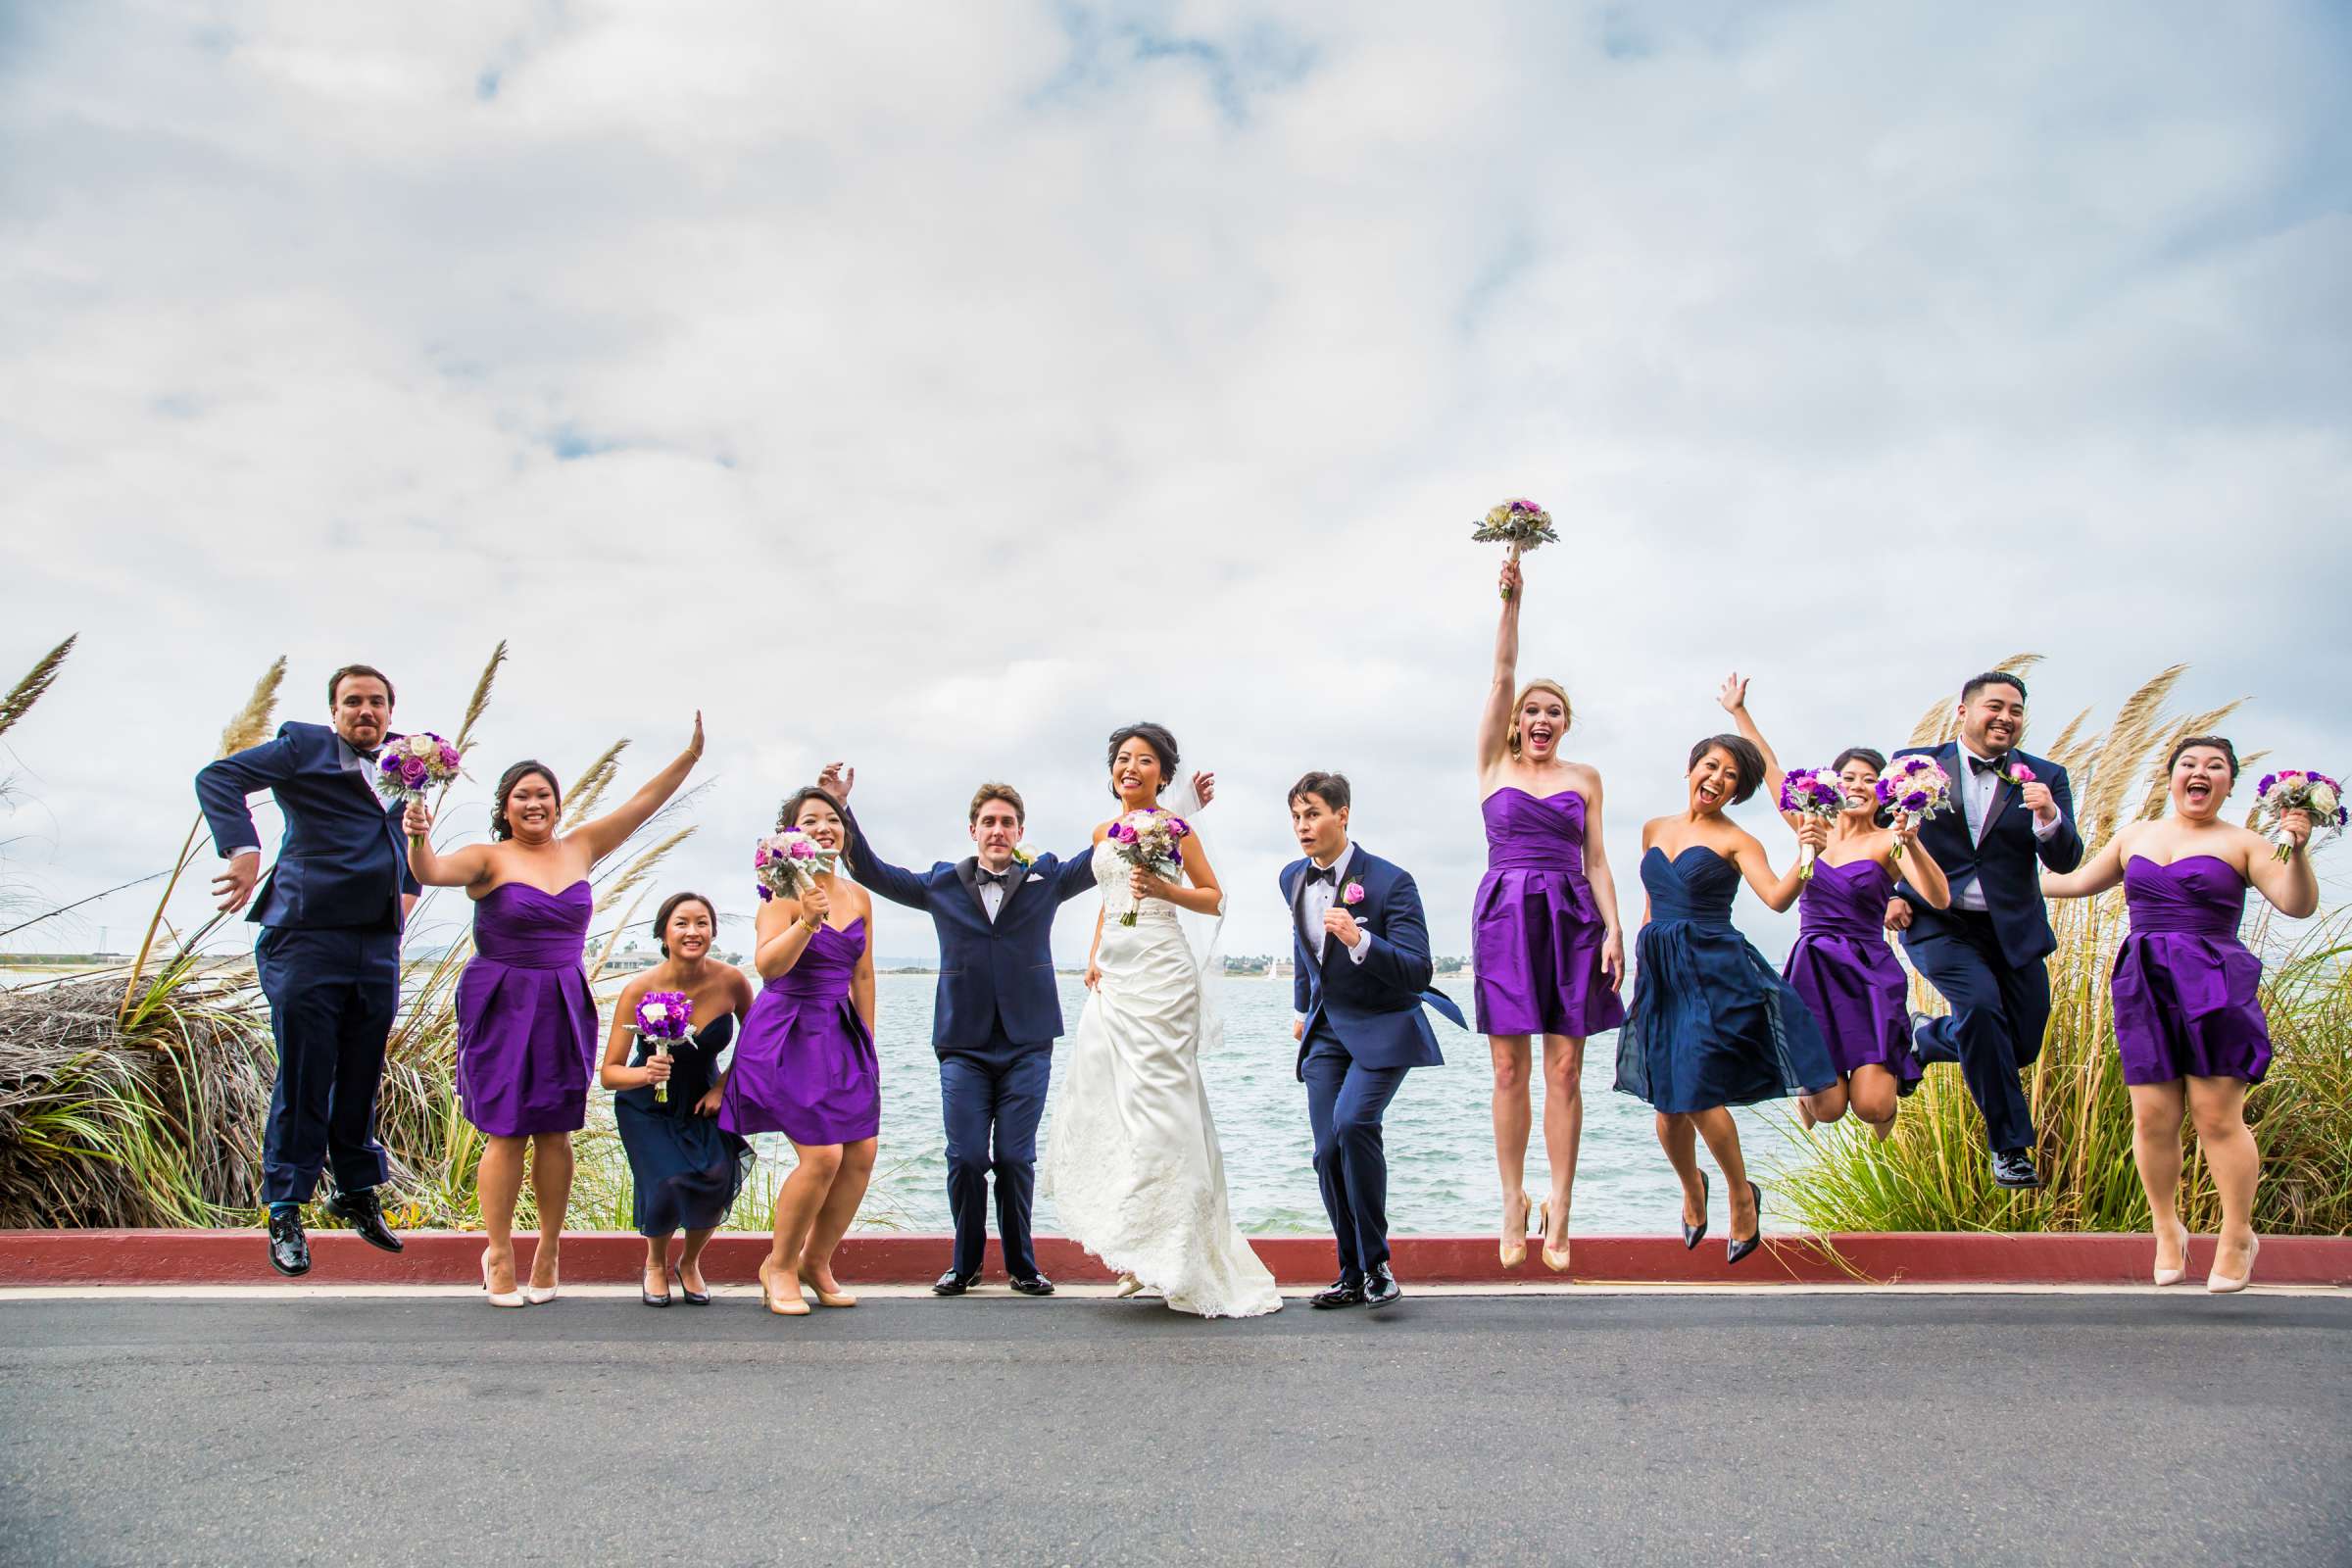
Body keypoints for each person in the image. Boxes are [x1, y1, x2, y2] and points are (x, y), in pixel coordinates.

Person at [814, 759, 1206, 1297]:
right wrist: (839, 806)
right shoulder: (940, 884)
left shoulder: (1046, 878)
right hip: (962, 1044)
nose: (998, 831)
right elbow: (874, 872)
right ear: (973, 830)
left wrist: (1178, 810)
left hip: (1028, 1042)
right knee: (968, 1156)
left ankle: (1023, 1264)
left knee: (1016, 1157)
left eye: (1007, 822)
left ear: (1020, 831)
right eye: (988, 822)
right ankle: (965, 1263)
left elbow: (1116, 845)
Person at [405, 716, 702, 1306]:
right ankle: (498, 1250)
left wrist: (689, 757)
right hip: (502, 999)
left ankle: (548, 1245)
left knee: (556, 1131)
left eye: (544, 794)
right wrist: (417, 833)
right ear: (505, 807)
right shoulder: (486, 859)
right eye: (523, 796)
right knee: (505, 1130)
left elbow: (643, 804)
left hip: (563, 998)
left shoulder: (582, 846)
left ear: (558, 804)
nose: (534, 803)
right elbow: (429, 872)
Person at [2039, 736, 2318, 1293]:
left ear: (2230, 783)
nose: (2200, 772)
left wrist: (2300, 848)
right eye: (2189, 764)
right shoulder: (2135, 835)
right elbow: (2069, 883)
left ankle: (2238, 1235)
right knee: (2152, 1117)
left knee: (2217, 1117)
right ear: (2170, 776)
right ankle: (2167, 1230)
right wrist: (1978, 884)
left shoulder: (2246, 843)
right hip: (2144, 981)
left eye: (2215, 766)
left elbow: (2296, 904)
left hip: (2215, 981)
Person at [1040, 724, 1280, 1318]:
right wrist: (1095, 957)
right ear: (1112, 772)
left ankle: (1179, 1250)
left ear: (1162, 776)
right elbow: (1109, 897)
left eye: (1144, 761)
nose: (1131, 767)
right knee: (1109, 1104)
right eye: (1123, 759)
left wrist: (1163, 890)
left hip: (1163, 975)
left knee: (1164, 1111)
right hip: (1115, 978)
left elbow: (1213, 896)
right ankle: (1135, 1244)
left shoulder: (1175, 828)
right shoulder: (1103, 832)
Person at [195, 663, 419, 1275]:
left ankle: (354, 1190)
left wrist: (408, 888)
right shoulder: (305, 747)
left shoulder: (412, 761)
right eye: (353, 703)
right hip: (306, 934)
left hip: (376, 943)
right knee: (305, 1071)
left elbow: (403, 837)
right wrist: (242, 850)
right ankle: (286, 1206)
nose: (365, 712)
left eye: (376, 702)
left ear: (390, 712)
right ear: (335, 711)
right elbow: (218, 777)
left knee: (362, 1071)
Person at [1612, 732, 1838, 1265]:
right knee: (1666, 1110)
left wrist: (1808, 854)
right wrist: (1642, 971)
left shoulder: (1738, 841)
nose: (1715, 779)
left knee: (1695, 1093)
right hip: (1660, 977)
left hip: (1712, 973)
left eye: (1730, 776)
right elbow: (1651, 904)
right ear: (1691, 768)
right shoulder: (1651, 829)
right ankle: (1694, 1187)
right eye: (1710, 766)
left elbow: (1780, 900)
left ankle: (1741, 1194)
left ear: (1738, 791)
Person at [1472, 554, 1625, 1272]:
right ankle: (1512, 1200)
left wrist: (1616, 928)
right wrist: (1511, 603)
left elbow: (1596, 861)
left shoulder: (1585, 778)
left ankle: (1561, 1203)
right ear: (1516, 721)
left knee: (1564, 1070)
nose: (1540, 718)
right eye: (1531, 711)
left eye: (1552, 712)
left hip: (1572, 917)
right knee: (1508, 1068)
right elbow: (1502, 675)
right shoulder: (1491, 768)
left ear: (1565, 724)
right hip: (1506, 914)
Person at [1719, 675, 1951, 1139]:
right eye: (1849, 778)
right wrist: (1738, 712)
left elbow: (1939, 897)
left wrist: (1913, 844)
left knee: (1870, 1105)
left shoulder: (1891, 841)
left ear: (1883, 790)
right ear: (1835, 785)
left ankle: (1887, 1097)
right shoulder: (1811, 824)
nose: (1859, 786)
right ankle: (1813, 1099)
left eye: (1869, 779)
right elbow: (1770, 770)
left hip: (1867, 971)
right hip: (1814, 969)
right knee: (1828, 1108)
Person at [1884, 672, 2084, 1190]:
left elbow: (2065, 860)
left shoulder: (2046, 775)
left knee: (2019, 1045)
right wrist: (1883, 895)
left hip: (2013, 930)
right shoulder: (1915, 765)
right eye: (1995, 706)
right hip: (1937, 923)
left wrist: (2048, 815)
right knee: (1979, 1008)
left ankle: (1928, 1038)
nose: (2006, 717)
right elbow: (1873, 834)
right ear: (1963, 711)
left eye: (2016, 710)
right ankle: (2010, 1149)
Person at [1279, 770, 1466, 1310]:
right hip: (1324, 1031)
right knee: (1326, 1151)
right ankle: (1351, 1271)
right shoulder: (1292, 876)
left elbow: (1416, 969)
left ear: (1342, 815)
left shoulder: (1391, 882)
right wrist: (1300, 1010)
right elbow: (1303, 949)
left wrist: (1361, 940)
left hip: (1384, 1025)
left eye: (1312, 814)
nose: (1303, 826)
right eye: (1295, 817)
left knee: (1355, 1121)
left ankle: (1378, 1263)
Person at [722, 787, 880, 1317]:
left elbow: (862, 971)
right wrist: (808, 921)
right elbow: (767, 967)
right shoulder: (781, 891)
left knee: (861, 1153)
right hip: (789, 1030)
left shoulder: (858, 897)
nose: (823, 828)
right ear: (791, 834)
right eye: (809, 820)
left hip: (841, 1031)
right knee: (822, 1155)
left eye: (831, 820)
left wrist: (869, 1041)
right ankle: (779, 1266)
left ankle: (817, 1260)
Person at [600, 890, 755, 1306]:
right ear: (664, 934)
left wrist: (724, 1085)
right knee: (666, 1181)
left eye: (701, 923)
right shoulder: (640, 990)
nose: (692, 931)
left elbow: (757, 1041)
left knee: (716, 1176)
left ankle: (689, 1262)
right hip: (647, 1103)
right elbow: (609, 1073)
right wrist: (644, 1072)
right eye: (682, 923)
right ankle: (654, 1264)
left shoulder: (732, 981)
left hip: (704, 1095)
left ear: (713, 932)